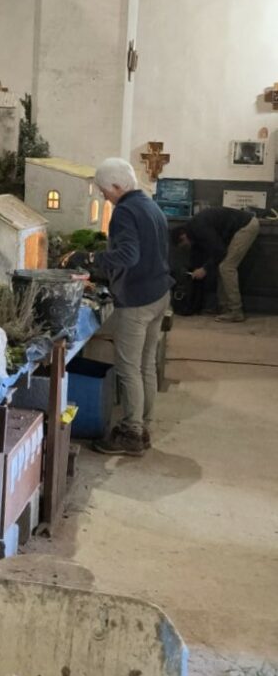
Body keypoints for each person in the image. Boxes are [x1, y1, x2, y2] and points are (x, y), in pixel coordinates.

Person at [78, 158, 173, 457]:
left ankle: (132, 433)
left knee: (128, 367)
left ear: (118, 186)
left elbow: (128, 256)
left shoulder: (124, 212)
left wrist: (91, 259)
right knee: (146, 364)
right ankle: (143, 425)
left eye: (104, 190)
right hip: (160, 294)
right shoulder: (150, 205)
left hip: (138, 300)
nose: (103, 196)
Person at [171, 207, 260, 322]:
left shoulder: (199, 228)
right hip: (240, 225)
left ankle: (235, 311)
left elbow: (220, 251)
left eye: (184, 245)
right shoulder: (193, 231)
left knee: (227, 267)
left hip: (246, 226)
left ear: (183, 236)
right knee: (222, 266)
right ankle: (224, 307)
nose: (186, 248)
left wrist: (204, 269)